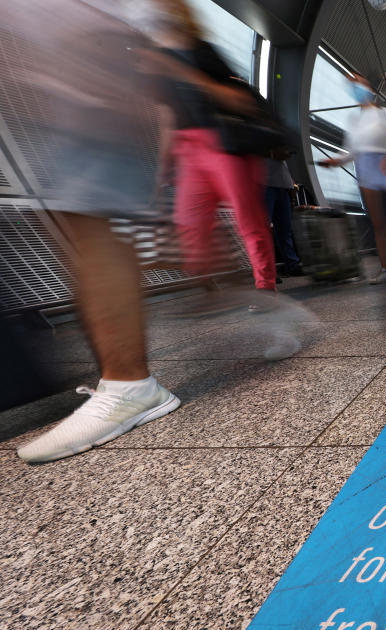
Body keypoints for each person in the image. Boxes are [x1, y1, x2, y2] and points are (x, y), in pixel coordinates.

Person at [4, 0, 186, 463]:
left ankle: (130, 384)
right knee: (80, 222)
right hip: (57, 64)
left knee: (91, 226)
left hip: (79, 62)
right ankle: (123, 380)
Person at [149, 0, 278, 306]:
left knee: (248, 219)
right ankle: (221, 282)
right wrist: (163, 167)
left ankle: (265, 284)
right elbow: (167, 117)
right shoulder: (158, 60)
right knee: (189, 223)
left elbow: (239, 99)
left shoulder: (203, 51)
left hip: (224, 144)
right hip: (188, 149)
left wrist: (184, 73)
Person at [317, 75, 386, 284]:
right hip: (365, 170)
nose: (354, 85)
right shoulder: (354, 120)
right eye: (350, 83)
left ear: (369, 87)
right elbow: (352, 151)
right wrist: (336, 161)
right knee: (378, 223)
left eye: (358, 81)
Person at [264, 154, 303, 277]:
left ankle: (292, 264)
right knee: (263, 229)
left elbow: (283, 164)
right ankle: (266, 271)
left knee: (285, 229)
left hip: (282, 185)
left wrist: (291, 183)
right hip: (263, 183)